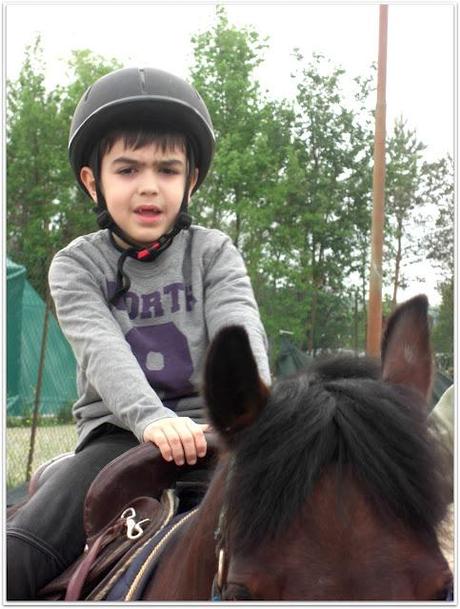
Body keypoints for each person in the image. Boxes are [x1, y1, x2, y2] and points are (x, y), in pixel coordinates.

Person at [7, 66, 271, 600]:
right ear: (93, 181)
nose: (149, 185)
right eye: (128, 169)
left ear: (190, 180)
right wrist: (153, 420)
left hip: (221, 434)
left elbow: (239, 335)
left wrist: (259, 419)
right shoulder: (76, 265)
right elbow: (103, 352)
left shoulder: (214, 252)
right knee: (21, 551)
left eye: (168, 170)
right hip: (121, 439)